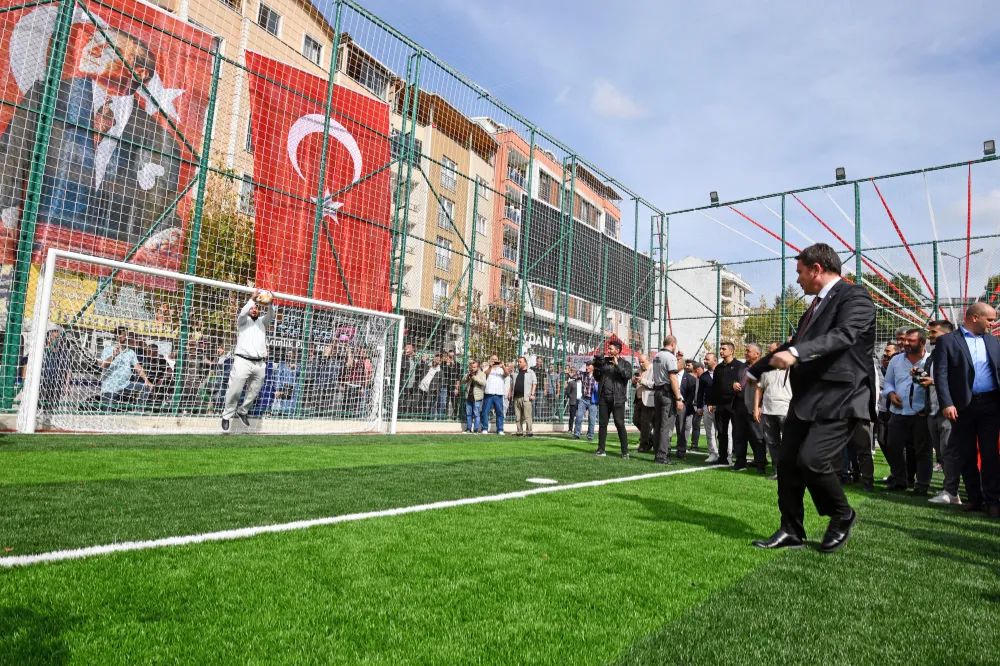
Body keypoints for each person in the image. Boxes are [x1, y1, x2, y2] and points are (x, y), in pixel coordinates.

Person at [0, 27, 182, 256]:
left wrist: (163, 236)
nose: (92, 50)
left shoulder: (159, 140)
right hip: (33, 250)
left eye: (108, 48)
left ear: (139, 72)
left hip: (109, 264)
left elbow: (162, 210)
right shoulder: (45, 97)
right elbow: (9, 159)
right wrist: (7, 212)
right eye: (93, 42)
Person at [748, 243, 875, 553]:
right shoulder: (815, 307)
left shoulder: (854, 296)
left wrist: (797, 352)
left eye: (800, 273)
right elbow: (794, 343)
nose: (798, 280)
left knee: (813, 460)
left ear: (817, 269)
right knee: (788, 464)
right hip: (806, 399)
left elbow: (845, 334)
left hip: (841, 396)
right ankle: (791, 529)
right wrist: (755, 370)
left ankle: (842, 514)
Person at [933, 302, 1000, 517]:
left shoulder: (993, 341)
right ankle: (974, 498)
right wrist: (947, 403)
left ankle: (993, 501)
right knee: (966, 453)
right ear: (974, 318)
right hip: (962, 407)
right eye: (989, 319)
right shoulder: (947, 341)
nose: (993, 323)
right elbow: (941, 374)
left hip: (991, 404)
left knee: (990, 453)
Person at [881, 328, 933, 495]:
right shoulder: (896, 360)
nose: (905, 343)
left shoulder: (931, 361)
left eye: (911, 341)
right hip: (898, 411)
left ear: (922, 342)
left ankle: (922, 484)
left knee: (922, 451)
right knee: (893, 446)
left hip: (921, 412)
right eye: (905, 340)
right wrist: (891, 393)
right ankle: (900, 480)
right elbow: (888, 382)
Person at [920, 320, 961, 505]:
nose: (930, 335)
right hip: (933, 410)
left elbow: (957, 381)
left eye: (934, 332)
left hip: (948, 410)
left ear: (946, 333)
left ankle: (952, 492)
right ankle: (949, 489)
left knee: (949, 452)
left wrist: (933, 381)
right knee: (942, 453)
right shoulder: (933, 355)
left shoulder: (956, 352)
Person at [221, 290, 275, 431]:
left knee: (255, 390)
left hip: (259, 363)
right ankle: (227, 415)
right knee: (235, 389)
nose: (254, 309)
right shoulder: (243, 322)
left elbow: (271, 315)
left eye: (256, 307)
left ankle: (243, 411)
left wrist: (271, 303)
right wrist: (251, 300)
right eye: (252, 308)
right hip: (242, 361)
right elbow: (242, 314)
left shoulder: (262, 322)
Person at [755, 342, 791, 481]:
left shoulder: (792, 367)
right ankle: (777, 471)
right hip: (768, 411)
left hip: (786, 410)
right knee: (772, 443)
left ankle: (791, 471)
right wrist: (756, 408)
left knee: (789, 443)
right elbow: (759, 389)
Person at [593, 339, 633, 458]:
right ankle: (601, 449)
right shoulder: (604, 362)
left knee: (619, 424)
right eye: (608, 348)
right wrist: (597, 366)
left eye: (611, 349)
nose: (608, 351)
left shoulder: (625, 364)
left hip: (618, 399)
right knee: (602, 424)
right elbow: (597, 378)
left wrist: (617, 365)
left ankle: (625, 451)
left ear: (617, 350)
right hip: (604, 398)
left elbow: (627, 376)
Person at [708, 341, 745, 467]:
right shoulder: (718, 368)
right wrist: (711, 402)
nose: (721, 351)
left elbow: (743, 383)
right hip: (720, 405)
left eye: (723, 349)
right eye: (720, 349)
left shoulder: (740, 366)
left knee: (737, 432)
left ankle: (739, 459)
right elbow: (714, 387)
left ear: (731, 351)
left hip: (735, 404)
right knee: (721, 432)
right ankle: (723, 458)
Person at [100, 326, 153, 408]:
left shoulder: (130, 352)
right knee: (108, 415)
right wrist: (113, 356)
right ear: (117, 336)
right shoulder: (108, 349)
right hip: (110, 388)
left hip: (125, 385)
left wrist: (147, 380)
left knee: (145, 388)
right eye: (124, 335)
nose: (127, 338)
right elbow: (103, 365)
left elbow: (138, 367)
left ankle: (138, 412)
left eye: (128, 336)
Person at [651, 336, 685, 464]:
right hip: (667, 394)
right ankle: (662, 455)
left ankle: (657, 453)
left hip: (657, 392)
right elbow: (673, 378)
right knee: (667, 426)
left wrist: (676, 357)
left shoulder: (657, 356)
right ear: (672, 344)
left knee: (658, 424)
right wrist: (678, 398)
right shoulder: (670, 357)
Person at [736, 343, 767, 474]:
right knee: (739, 436)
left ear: (757, 354)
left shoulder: (764, 369)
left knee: (757, 437)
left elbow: (764, 389)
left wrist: (759, 406)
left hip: (755, 408)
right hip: (739, 405)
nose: (746, 353)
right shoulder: (742, 367)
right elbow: (737, 380)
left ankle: (761, 465)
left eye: (748, 351)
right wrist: (734, 384)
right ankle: (740, 462)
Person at [698, 353, 719, 463]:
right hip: (707, 407)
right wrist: (699, 407)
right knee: (709, 431)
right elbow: (700, 392)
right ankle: (713, 453)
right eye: (705, 359)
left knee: (725, 432)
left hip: (721, 406)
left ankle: (727, 454)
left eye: (707, 359)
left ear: (715, 361)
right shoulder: (703, 376)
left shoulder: (722, 372)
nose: (705, 361)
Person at [633, 354, 655, 453]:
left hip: (648, 400)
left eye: (642, 362)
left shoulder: (654, 370)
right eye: (639, 362)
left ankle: (644, 445)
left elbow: (655, 385)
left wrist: (643, 381)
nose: (641, 364)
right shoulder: (638, 371)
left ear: (648, 360)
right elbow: (635, 384)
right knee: (635, 420)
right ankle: (651, 439)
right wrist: (634, 382)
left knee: (645, 423)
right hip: (638, 399)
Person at [509, 357, 537, 437]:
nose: (518, 363)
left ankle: (529, 432)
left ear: (525, 363)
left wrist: (532, 394)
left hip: (526, 398)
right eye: (518, 362)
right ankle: (519, 432)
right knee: (518, 416)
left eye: (520, 362)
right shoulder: (516, 373)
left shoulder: (530, 372)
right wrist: (509, 393)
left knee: (527, 416)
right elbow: (512, 384)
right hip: (516, 398)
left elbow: (534, 383)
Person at [573, 362, 598, 441]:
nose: (587, 367)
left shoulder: (598, 376)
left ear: (593, 367)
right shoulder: (583, 374)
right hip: (583, 399)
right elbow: (573, 376)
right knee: (579, 416)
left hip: (593, 400)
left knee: (592, 419)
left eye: (589, 365)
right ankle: (576, 434)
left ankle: (590, 436)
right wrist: (569, 372)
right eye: (586, 365)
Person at [482, 355, 507, 435]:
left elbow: (507, 374)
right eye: (493, 359)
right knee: (485, 412)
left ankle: (500, 429)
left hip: (499, 394)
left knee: (500, 412)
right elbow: (485, 374)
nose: (494, 361)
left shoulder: (501, 369)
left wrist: (503, 366)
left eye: (496, 359)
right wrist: (490, 366)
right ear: (490, 360)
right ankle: (485, 428)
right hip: (489, 393)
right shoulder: (486, 368)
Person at [463, 360, 487, 433]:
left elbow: (483, 383)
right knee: (469, 414)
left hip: (477, 397)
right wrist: (467, 375)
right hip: (469, 396)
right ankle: (468, 429)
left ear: (478, 367)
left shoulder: (482, 374)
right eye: (472, 367)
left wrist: (474, 378)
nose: (473, 368)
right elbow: (463, 381)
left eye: (474, 367)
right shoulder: (469, 373)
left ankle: (476, 429)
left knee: (476, 414)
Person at [564, 365, 581, 433]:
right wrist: (571, 397)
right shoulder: (572, 383)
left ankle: (578, 429)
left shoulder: (583, 383)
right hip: (573, 401)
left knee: (579, 416)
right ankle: (570, 429)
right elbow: (567, 392)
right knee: (572, 416)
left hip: (580, 401)